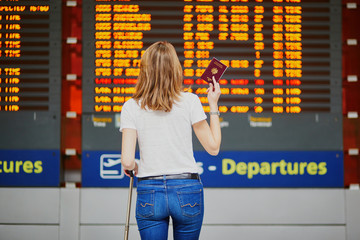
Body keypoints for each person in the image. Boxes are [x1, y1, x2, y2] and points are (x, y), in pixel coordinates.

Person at [120, 41, 221, 240]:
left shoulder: (131, 106)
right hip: (187, 189)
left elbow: (127, 161)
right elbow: (213, 147)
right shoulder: (190, 101)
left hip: (150, 191)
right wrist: (213, 105)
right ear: (176, 69)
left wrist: (135, 165)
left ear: (145, 70)